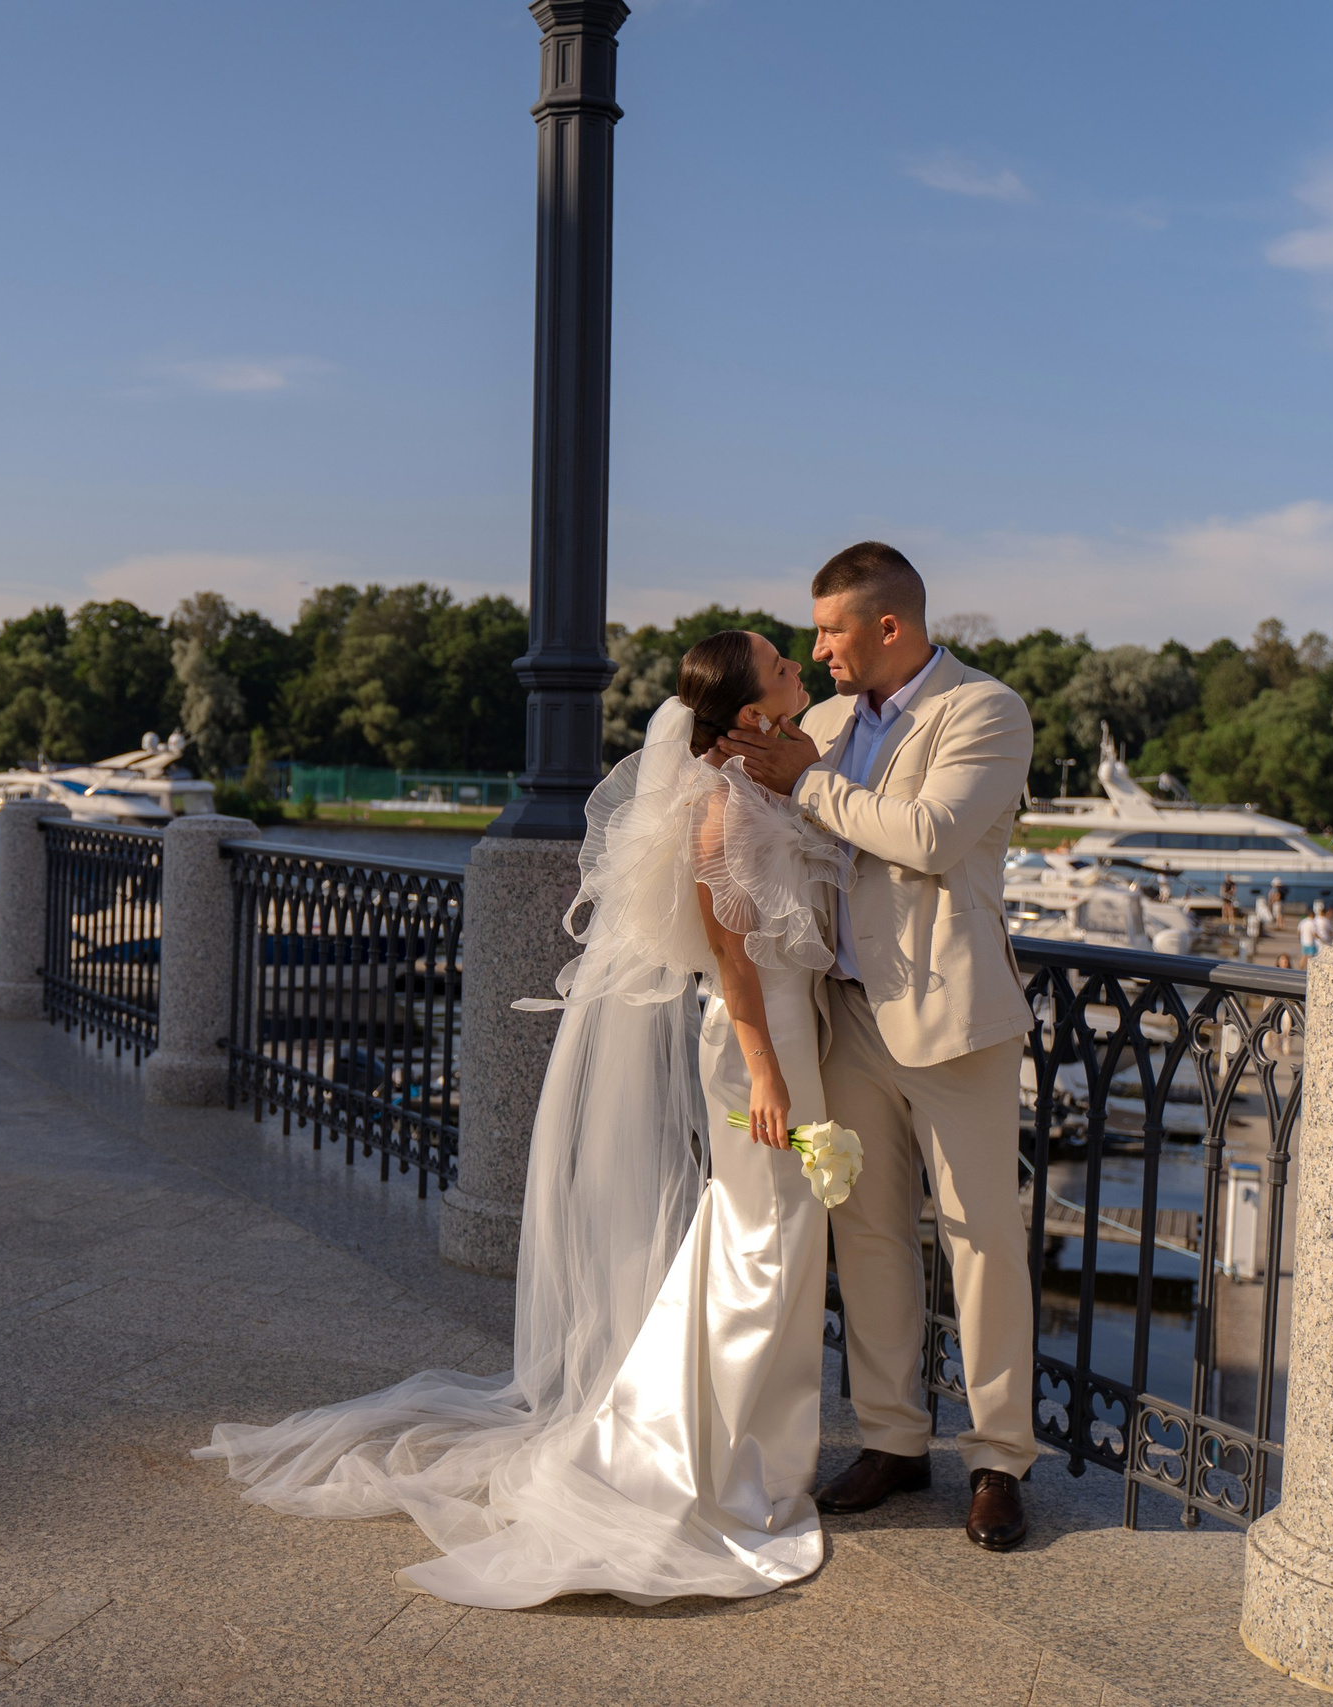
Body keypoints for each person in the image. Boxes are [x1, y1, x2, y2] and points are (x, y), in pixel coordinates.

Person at [198, 631, 854, 1607]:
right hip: (757, 1052)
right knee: (763, 1244)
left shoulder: (755, 786)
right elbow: (736, 964)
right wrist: (766, 1079)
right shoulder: (721, 812)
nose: (800, 670)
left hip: (785, 1040)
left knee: (763, 1244)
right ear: (751, 706)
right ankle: (704, 1460)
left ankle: (734, 1440)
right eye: (783, 668)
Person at [719, 541, 1038, 1552]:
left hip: (953, 1020)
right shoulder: (817, 722)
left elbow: (933, 839)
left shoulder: (983, 710)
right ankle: (894, 1441)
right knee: (865, 1235)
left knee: (981, 1240)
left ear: (888, 628)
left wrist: (811, 783)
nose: (816, 654)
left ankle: (997, 1459)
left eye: (830, 631)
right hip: (842, 1015)